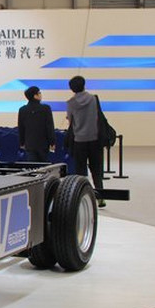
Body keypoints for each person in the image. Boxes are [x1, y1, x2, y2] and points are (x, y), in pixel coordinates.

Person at [66, 75, 106, 208]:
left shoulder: (70, 103)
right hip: (94, 139)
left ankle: (83, 197)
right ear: (84, 85)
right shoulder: (94, 99)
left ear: (72, 89)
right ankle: (101, 197)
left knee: (80, 170)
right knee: (96, 169)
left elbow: (70, 120)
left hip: (79, 140)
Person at [17, 86, 55, 162]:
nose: (41, 95)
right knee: (44, 166)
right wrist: (52, 142)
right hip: (43, 144)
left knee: (32, 166)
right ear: (35, 96)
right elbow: (49, 126)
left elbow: (21, 128)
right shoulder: (45, 108)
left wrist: (22, 142)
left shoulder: (22, 110)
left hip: (29, 144)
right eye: (39, 93)